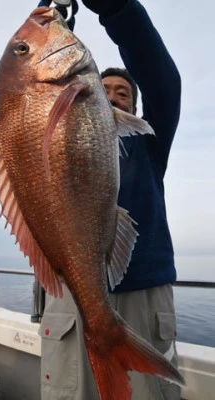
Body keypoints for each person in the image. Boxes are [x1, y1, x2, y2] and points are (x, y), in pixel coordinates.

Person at [38, 1, 182, 399]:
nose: (115, 97)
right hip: (71, 296)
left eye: (124, 94)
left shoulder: (147, 143)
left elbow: (163, 81)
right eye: (105, 91)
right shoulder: (57, 135)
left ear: (135, 110)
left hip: (143, 295)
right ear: (85, 95)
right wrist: (47, 15)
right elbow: (31, 84)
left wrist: (119, 10)